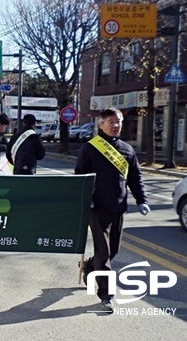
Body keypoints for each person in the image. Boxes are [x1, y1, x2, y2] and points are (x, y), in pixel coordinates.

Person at [75, 107, 150, 313]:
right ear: (100, 124)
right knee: (105, 252)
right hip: (96, 208)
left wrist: (141, 199)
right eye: (111, 122)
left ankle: (90, 267)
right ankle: (106, 295)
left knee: (113, 250)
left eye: (118, 122)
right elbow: (80, 176)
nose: (115, 125)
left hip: (118, 208)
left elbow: (135, 178)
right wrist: (86, 198)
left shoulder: (127, 149)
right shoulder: (90, 148)